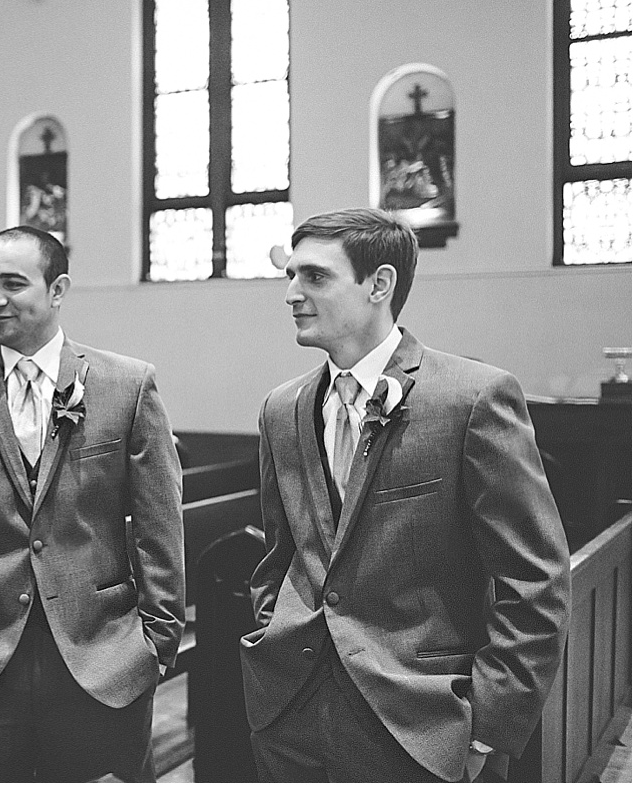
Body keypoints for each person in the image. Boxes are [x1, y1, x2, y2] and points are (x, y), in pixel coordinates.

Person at [242, 207, 570, 781]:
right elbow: (280, 552)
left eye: (314, 277)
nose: (291, 293)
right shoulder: (282, 407)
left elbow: (535, 578)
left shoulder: (471, 399)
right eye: (290, 276)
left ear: (380, 284)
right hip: (292, 710)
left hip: (424, 720)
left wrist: (489, 728)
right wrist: (272, 631)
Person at [0, 227, 185, 781]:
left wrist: (156, 641)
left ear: (57, 290)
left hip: (100, 656)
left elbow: (158, 523)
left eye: (12, 283)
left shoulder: (127, 385)